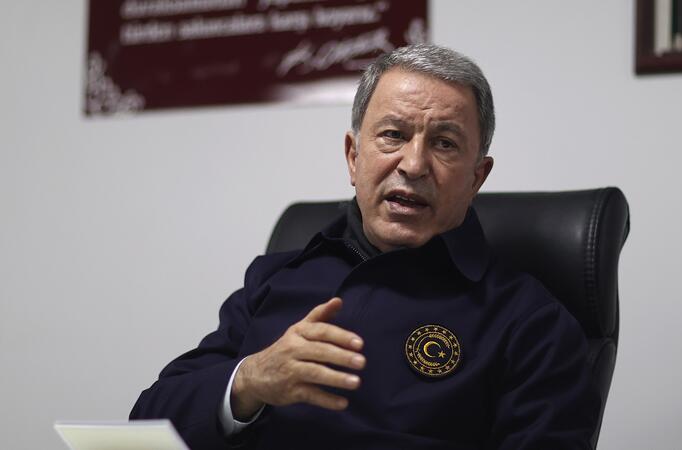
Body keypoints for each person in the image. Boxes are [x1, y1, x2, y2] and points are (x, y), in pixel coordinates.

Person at [130, 44, 599, 449]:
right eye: (393, 135)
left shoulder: (531, 323)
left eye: (444, 143)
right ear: (353, 157)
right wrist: (250, 379)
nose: (413, 164)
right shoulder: (276, 278)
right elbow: (149, 421)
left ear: (477, 176)